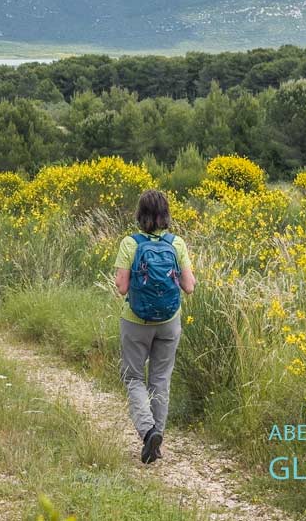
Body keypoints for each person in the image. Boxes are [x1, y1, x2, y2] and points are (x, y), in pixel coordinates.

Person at [114, 189, 196, 464]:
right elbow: (190, 287)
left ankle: (148, 431)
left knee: (133, 377)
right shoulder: (177, 243)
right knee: (160, 380)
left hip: (136, 321)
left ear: (140, 215)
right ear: (165, 215)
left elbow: (121, 287)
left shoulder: (130, 243)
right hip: (169, 322)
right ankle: (157, 441)